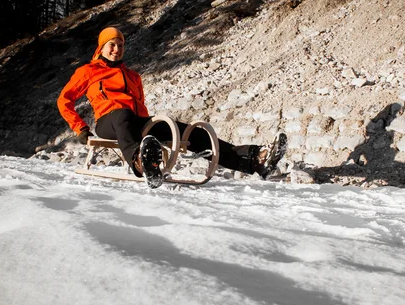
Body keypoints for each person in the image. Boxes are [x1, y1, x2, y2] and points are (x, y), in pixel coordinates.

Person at [57, 27, 287, 188]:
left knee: (189, 132)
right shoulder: (88, 71)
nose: (116, 49)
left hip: (137, 122)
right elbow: (64, 99)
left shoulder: (133, 75)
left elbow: (141, 107)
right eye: (112, 45)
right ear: (101, 47)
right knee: (122, 114)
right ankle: (141, 163)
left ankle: (254, 159)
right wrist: (80, 128)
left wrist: (153, 127)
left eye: (120, 45)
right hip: (109, 122)